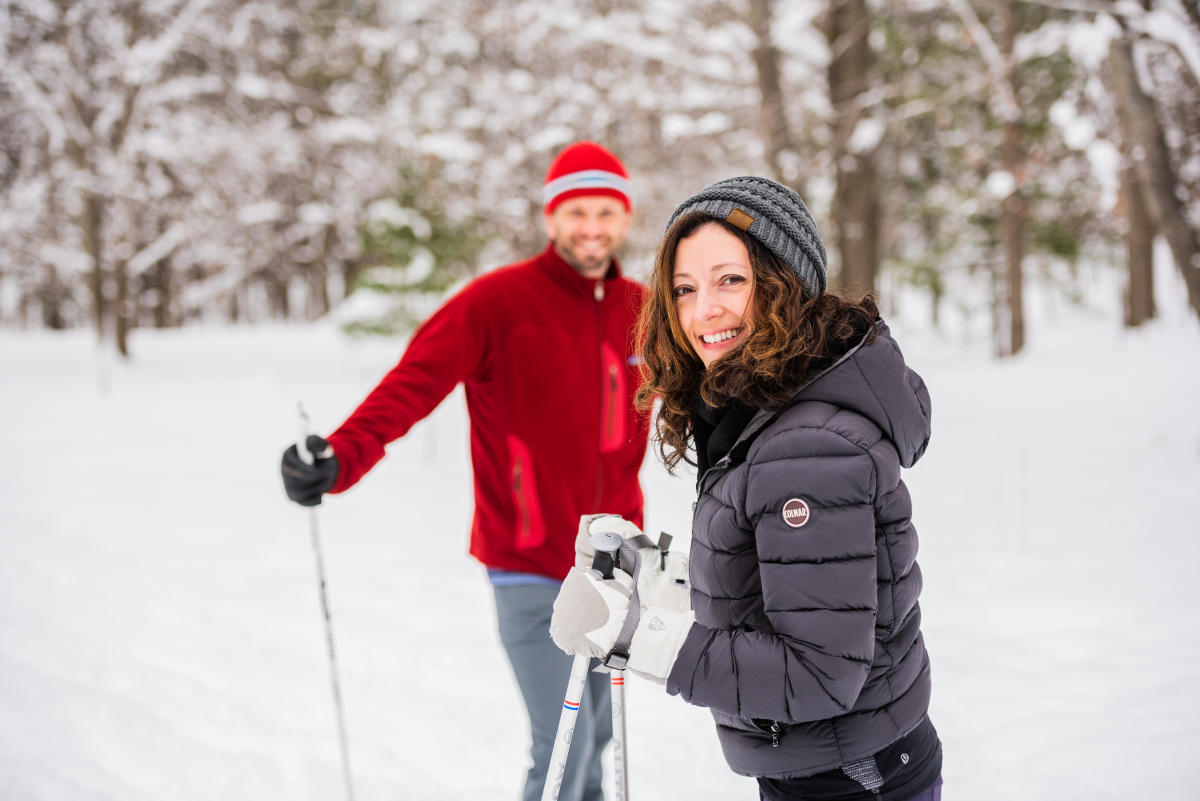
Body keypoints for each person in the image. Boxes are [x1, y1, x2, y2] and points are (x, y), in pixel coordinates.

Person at [548, 176, 943, 800]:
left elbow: (818, 673)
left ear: (786, 282)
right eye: (684, 289)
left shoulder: (807, 446)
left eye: (731, 279)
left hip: (848, 781)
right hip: (850, 764)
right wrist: (658, 577)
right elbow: (783, 584)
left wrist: (634, 636)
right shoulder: (773, 410)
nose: (704, 310)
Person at [280, 141, 650, 801]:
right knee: (561, 746)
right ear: (550, 218)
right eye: (576, 211)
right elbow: (411, 385)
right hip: (529, 563)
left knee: (594, 739)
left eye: (605, 212)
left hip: (613, 565)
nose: (591, 227)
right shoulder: (496, 303)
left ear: (625, 219)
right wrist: (340, 457)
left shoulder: (644, 312)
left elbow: (717, 393)